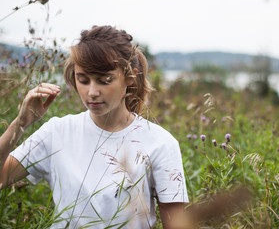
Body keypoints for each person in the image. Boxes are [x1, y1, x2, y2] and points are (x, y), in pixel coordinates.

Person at [0, 25, 189, 228]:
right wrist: (20, 124)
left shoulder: (160, 142)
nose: (92, 92)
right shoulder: (57, 132)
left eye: (104, 80)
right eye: (83, 80)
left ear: (129, 77)